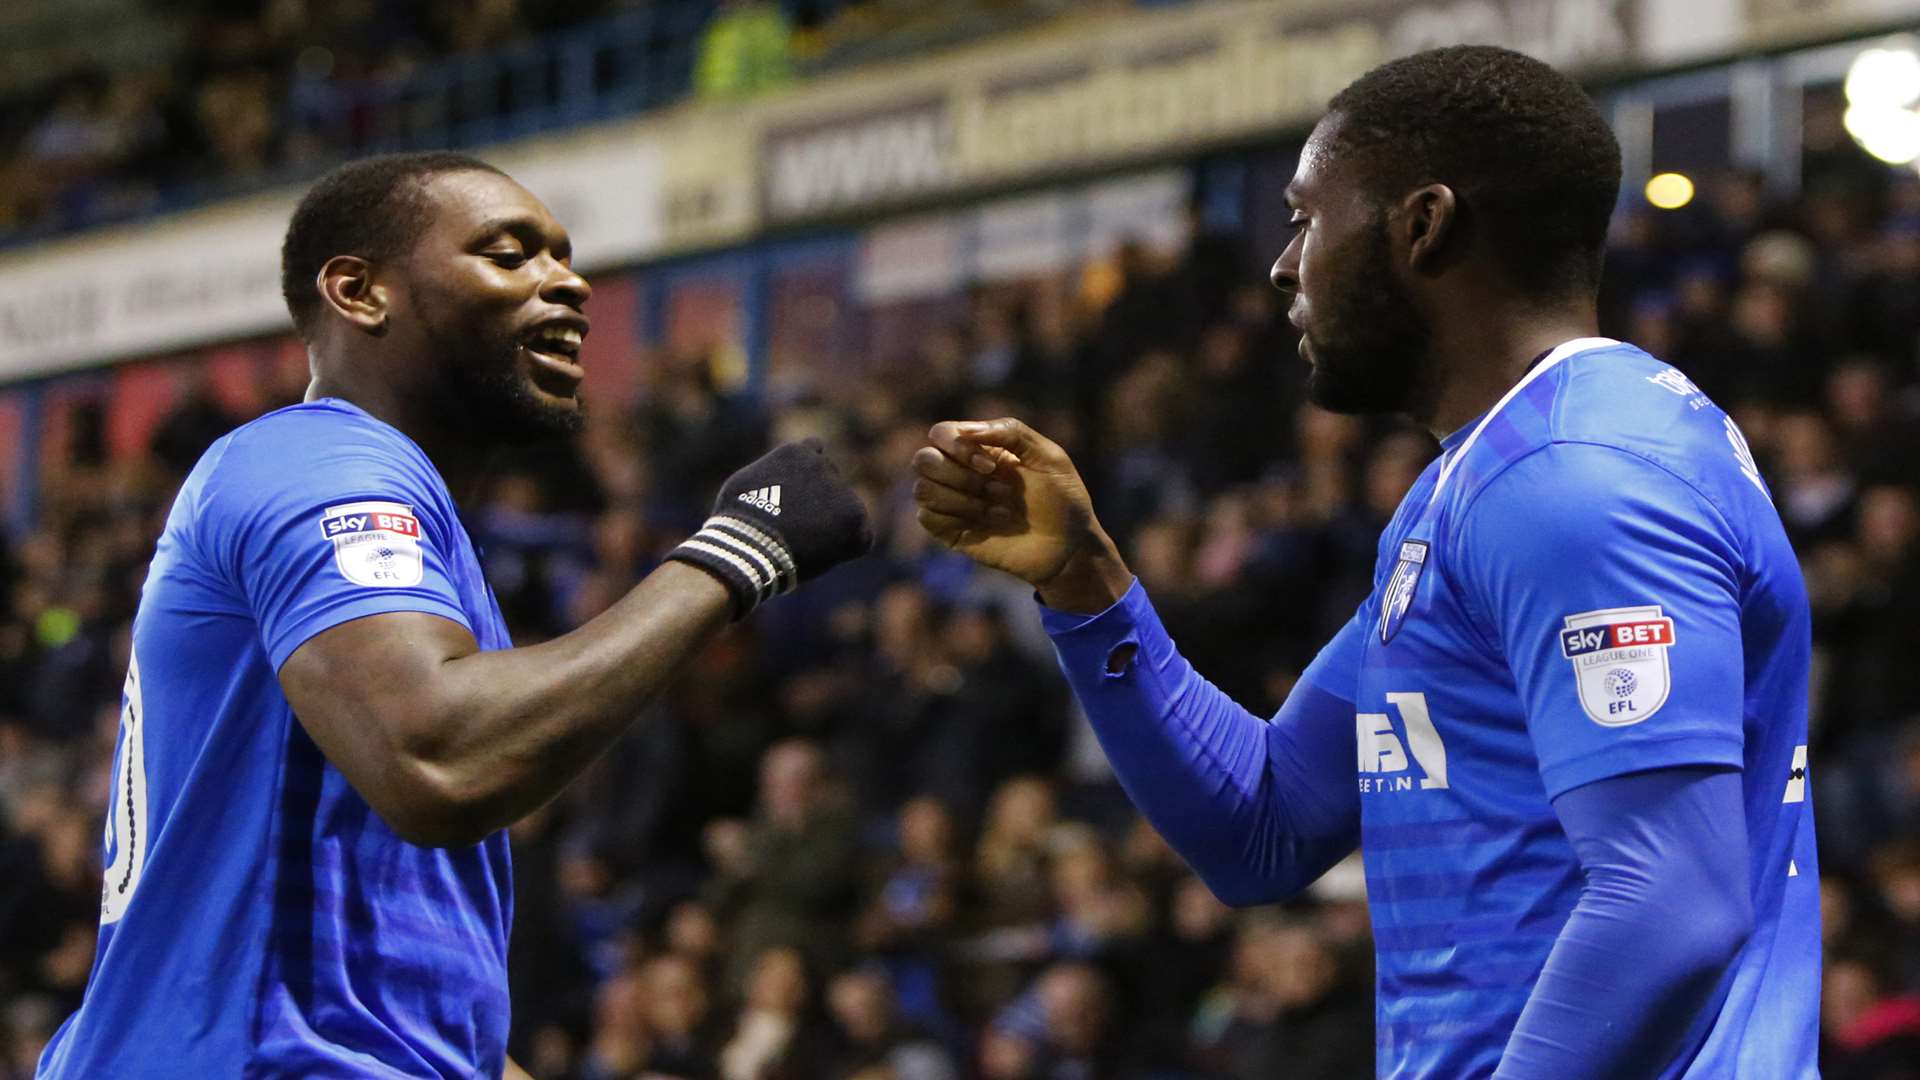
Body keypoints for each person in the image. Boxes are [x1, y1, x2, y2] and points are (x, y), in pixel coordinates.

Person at [912, 46, 1817, 1077]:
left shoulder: (1572, 479)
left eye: (1305, 217)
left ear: (1422, 225)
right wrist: (1088, 583)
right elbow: (1264, 823)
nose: (1283, 264)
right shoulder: (1483, 481)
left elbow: (1672, 905)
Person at [37, 151, 871, 1078]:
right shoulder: (315, 463)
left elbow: (395, 1014)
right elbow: (439, 757)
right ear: (360, 292)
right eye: (509, 255)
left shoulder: (414, 552)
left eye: (561, 256)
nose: (570, 282)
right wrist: (736, 551)